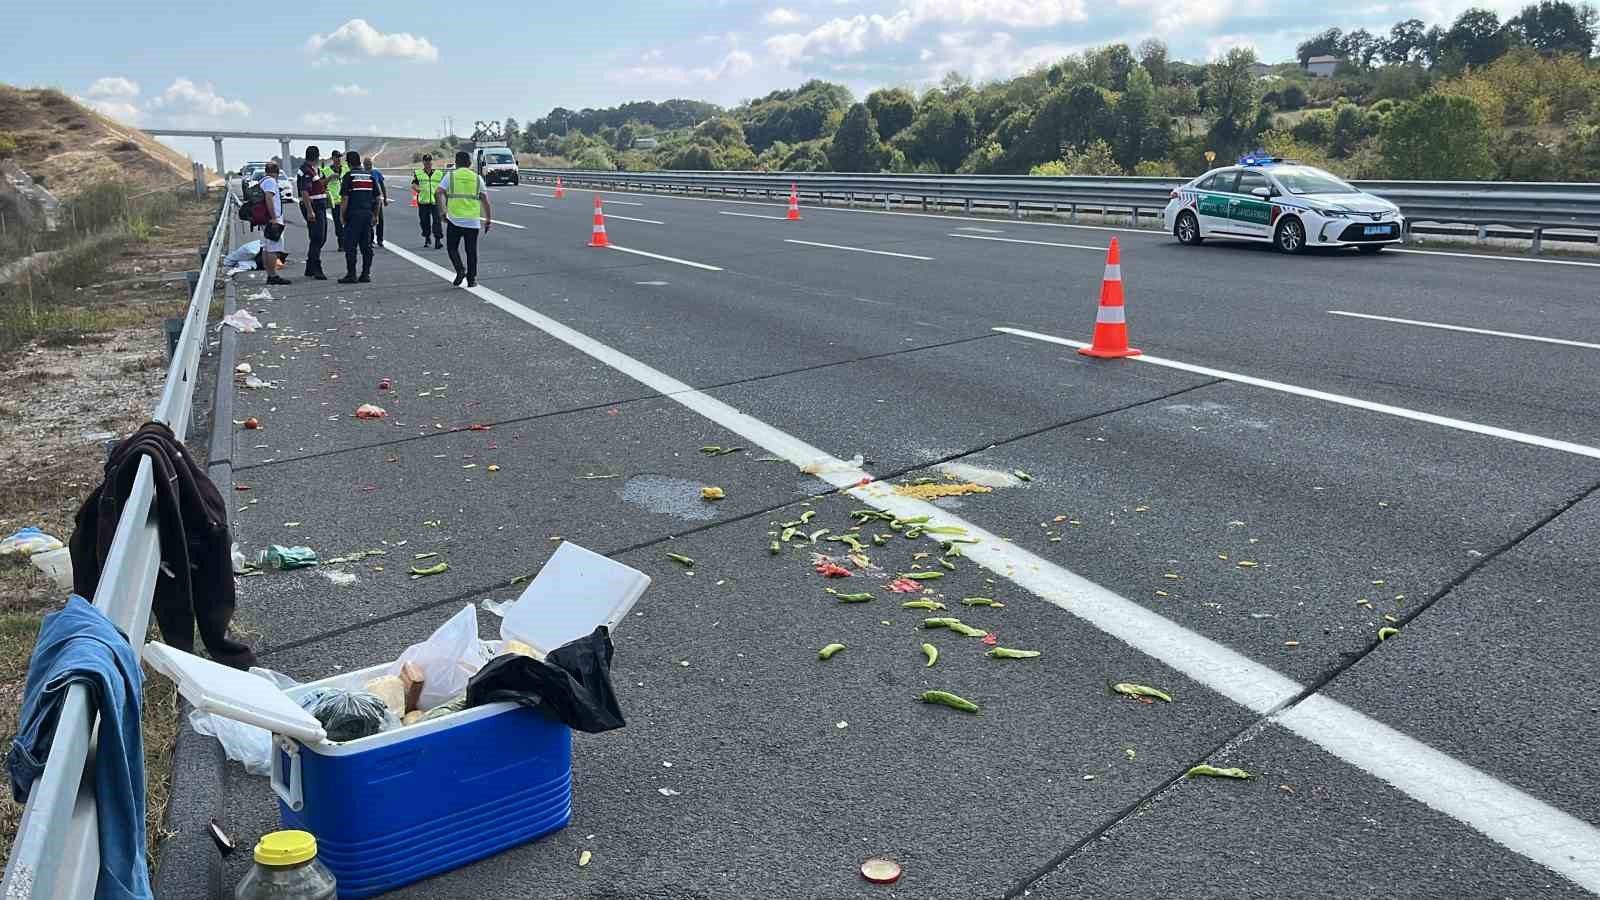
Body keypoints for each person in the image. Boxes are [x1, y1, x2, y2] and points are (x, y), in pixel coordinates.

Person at [437, 150, 492, 287]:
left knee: (452, 248)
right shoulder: (477, 178)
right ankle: (472, 280)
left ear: (456, 163)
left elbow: (438, 192)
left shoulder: (450, 176)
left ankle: (460, 269)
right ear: (469, 163)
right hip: (472, 222)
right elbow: (485, 200)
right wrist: (488, 219)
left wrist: (443, 211)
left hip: (454, 220)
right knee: (471, 251)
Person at [337, 150, 380, 284]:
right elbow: (378, 198)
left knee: (350, 245)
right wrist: (375, 215)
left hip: (354, 214)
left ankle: (351, 275)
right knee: (366, 246)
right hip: (368, 214)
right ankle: (365, 274)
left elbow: (345, 198)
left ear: (348, 163)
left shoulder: (349, 176)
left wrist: (341, 215)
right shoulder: (369, 176)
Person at [295, 145, 330, 280]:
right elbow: (304, 191)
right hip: (313, 207)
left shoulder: (312, 170)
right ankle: (316, 268)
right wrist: (310, 211)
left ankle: (310, 266)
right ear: (316, 156)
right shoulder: (306, 171)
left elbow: (316, 186)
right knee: (317, 238)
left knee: (320, 237)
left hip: (318, 207)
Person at [259, 162, 291, 285]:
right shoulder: (271, 182)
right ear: (277, 172)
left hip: (265, 219)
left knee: (266, 247)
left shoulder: (263, 180)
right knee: (273, 247)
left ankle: (269, 274)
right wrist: (273, 218)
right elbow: (269, 198)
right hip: (271, 219)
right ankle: (272, 276)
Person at [410, 154, 444, 248]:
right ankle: (427, 237)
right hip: (423, 201)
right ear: (423, 162)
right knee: (424, 221)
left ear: (431, 162)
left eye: (429, 160)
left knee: (437, 221)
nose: (428, 162)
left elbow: (443, 186)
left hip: (435, 201)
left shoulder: (439, 173)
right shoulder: (418, 173)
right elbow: (413, 184)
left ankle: (438, 240)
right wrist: (417, 189)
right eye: (426, 160)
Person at [322, 150, 347, 252]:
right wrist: (330, 177)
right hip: (335, 202)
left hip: (346, 200)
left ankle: (349, 242)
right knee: (338, 224)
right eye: (336, 157)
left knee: (348, 222)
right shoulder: (326, 170)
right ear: (332, 158)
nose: (338, 159)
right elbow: (321, 184)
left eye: (340, 157)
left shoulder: (346, 168)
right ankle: (341, 244)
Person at [364, 159, 388, 247]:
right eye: (367, 165)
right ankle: (370, 240)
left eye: (370, 165)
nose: (368, 167)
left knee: (379, 220)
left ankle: (380, 239)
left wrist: (385, 198)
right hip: (367, 201)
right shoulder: (363, 174)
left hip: (377, 200)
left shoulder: (376, 172)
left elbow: (382, 186)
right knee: (369, 220)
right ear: (364, 165)